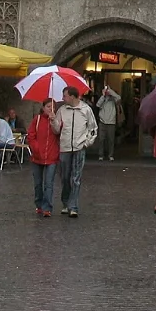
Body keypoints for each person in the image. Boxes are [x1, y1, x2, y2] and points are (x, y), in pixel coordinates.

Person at [55, 87, 96, 218]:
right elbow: (56, 130)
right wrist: (52, 121)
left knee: (76, 178)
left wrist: (87, 143)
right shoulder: (61, 110)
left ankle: (73, 206)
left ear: (72, 96)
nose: (63, 98)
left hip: (79, 148)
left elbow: (93, 128)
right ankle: (65, 203)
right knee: (65, 177)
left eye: (65, 96)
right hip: (65, 147)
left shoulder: (86, 110)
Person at [26, 99, 61, 216]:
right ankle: (39, 204)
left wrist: (54, 121)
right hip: (37, 156)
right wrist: (36, 148)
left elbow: (59, 133)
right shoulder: (37, 119)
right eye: (48, 106)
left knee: (49, 183)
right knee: (38, 183)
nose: (50, 109)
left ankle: (47, 208)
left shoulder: (57, 120)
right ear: (43, 108)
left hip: (51, 156)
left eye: (52, 107)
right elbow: (31, 135)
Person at [95, 84, 121, 161]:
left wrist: (111, 92)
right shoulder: (102, 99)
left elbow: (119, 98)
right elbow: (98, 105)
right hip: (102, 122)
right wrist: (103, 95)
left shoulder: (114, 100)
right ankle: (101, 155)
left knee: (111, 140)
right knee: (101, 139)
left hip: (111, 122)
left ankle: (111, 155)